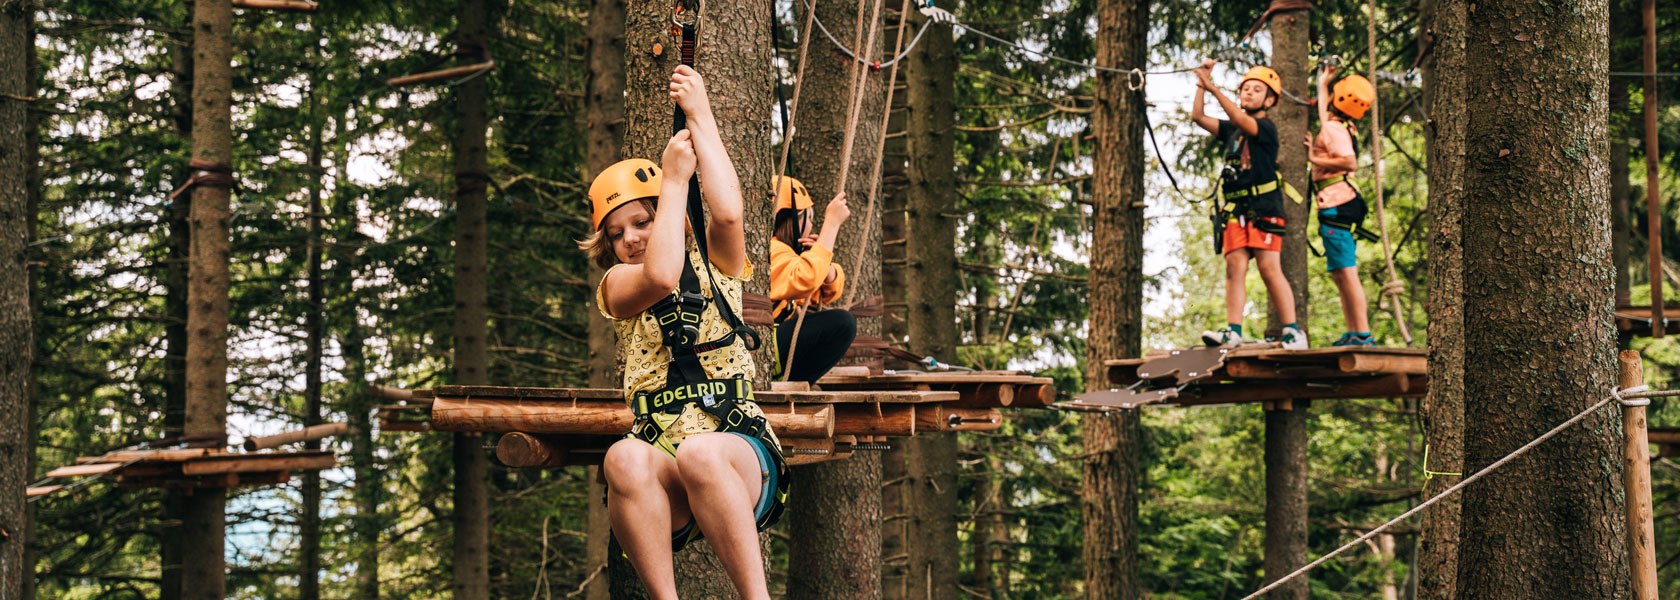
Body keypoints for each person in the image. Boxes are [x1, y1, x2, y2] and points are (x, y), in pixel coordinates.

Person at [579, 65, 784, 600]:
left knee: (702, 453)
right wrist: (670, 181)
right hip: (664, 468)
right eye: (618, 233)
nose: (631, 238)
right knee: (622, 456)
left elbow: (730, 213)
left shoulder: (717, 264)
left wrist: (700, 114)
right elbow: (661, 276)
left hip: (736, 455)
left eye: (643, 222)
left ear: (670, 216)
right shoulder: (619, 286)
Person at [1191, 59, 1307, 349]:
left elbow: (1244, 121)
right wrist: (1201, 85)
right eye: (1245, 89)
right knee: (1234, 267)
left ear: (1269, 100)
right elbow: (1197, 116)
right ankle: (1233, 331)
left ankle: (1293, 331)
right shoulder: (1233, 130)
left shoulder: (1266, 128)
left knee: (1269, 269)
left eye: (1257, 90)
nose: (1249, 93)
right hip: (1235, 211)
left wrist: (1213, 87)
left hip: (1264, 208)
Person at [1306, 65, 1379, 347]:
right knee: (1339, 271)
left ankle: (1361, 333)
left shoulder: (1335, 130)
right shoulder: (1340, 125)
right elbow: (1325, 113)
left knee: (1346, 271)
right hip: (1339, 202)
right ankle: (1354, 331)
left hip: (1337, 202)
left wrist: (1314, 160)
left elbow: (1348, 162)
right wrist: (1322, 83)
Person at [769, 175, 858, 383]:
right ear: (794, 219)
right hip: (764, 343)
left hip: (770, 343)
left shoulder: (785, 253)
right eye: (808, 218)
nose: (811, 225)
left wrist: (826, 268)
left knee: (839, 321)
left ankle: (792, 382)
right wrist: (831, 225)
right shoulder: (773, 248)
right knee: (842, 323)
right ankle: (794, 382)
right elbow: (805, 278)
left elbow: (823, 294)